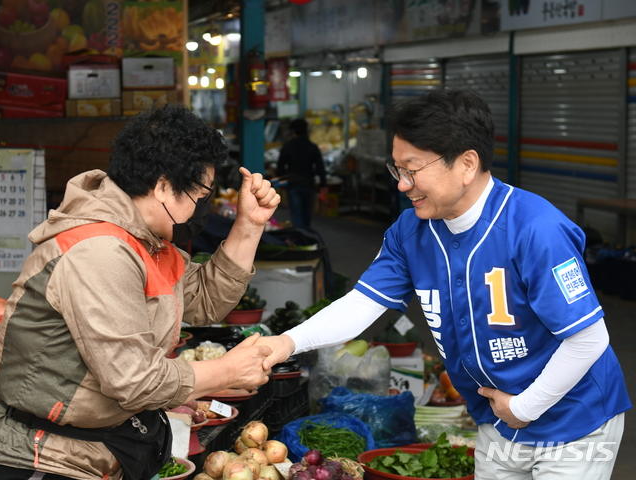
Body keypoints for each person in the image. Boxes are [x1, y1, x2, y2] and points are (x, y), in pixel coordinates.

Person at [258, 88, 631, 479]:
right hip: (497, 416)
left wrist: (523, 408)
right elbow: (362, 304)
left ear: (467, 164)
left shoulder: (535, 229)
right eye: (397, 169)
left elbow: (588, 339)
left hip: (572, 422)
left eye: (412, 169)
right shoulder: (411, 231)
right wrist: (286, 343)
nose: (402, 184)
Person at [0, 104, 280, 480]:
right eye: (201, 194)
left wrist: (249, 225)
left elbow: (203, 300)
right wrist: (227, 371)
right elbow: (135, 380)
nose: (203, 207)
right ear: (163, 186)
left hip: (94, 450)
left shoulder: (146, 243)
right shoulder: (99, 250)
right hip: (42, 459)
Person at [276, 118, 328, 228]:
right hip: (308, 184)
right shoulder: (312, 147)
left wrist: (282, 180)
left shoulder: (288, 146)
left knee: (296, 214)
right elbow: (320, 167)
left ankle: (299, 237)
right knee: (306, 214)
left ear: (293, 132)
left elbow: (280, 167)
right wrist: (323, 184)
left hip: (293, 184)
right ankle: (307, 235)